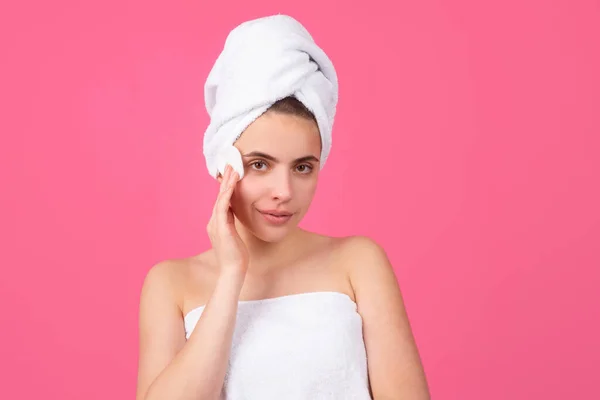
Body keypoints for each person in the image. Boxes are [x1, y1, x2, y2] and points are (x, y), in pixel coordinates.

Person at [136, 15, 430, 400]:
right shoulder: (171, 284)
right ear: (224, 165)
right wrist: (230, 276)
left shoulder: (358, 263)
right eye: (260, 164)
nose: (284, 191)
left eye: (303, 167)